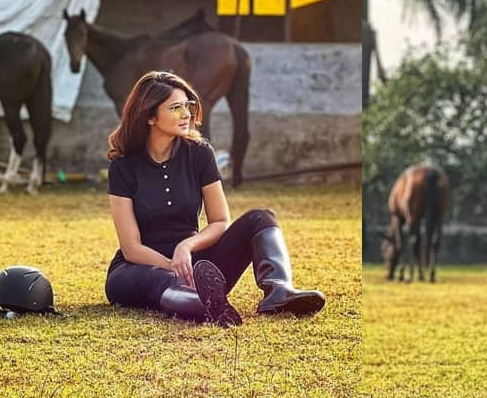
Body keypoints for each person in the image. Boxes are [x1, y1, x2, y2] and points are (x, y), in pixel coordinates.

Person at [103, 71, 325, 327]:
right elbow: (132, 248)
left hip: (197, 264)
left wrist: (185, 247)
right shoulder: (123, 166)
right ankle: (201, 304)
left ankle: (279, 290)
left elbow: (219, 220)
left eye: (188, 105)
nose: (186, 114)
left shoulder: (199, 154)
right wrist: (174, 267)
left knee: (260, 218)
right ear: (150, 116)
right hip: (139, 268)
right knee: (163, 280)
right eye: (175, 107)